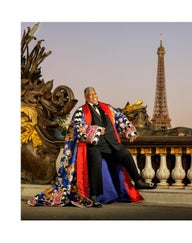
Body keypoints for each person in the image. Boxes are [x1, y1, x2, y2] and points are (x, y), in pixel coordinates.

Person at [27, 87, 156, 208]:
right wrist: (97, 130)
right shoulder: (80, 111)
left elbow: (120, 118)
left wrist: (130, 131)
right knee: (96, 165)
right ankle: (94, 196)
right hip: (95, 145)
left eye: (95, 93)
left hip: (112, 143)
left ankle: (138, 180)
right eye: (90, 94)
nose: (94, 96)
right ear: (86, 97)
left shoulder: (107, 108)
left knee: (126, 154)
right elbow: (78, 128)